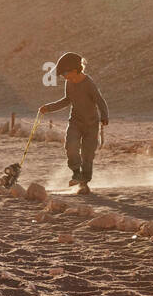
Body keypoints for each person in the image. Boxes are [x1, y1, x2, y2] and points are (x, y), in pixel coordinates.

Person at [39, 52, 108, 194]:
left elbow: (99, 100)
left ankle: (84, 182)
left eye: (65, 73)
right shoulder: (69, 83)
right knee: (71, 146)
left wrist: (104, 116)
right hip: (75, 122)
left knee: (88, 155)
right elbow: (66, 100)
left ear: (75, 70)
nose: (64, 77)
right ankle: (76, 173)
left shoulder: (88, 83)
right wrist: (49, 108)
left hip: (91, 124)